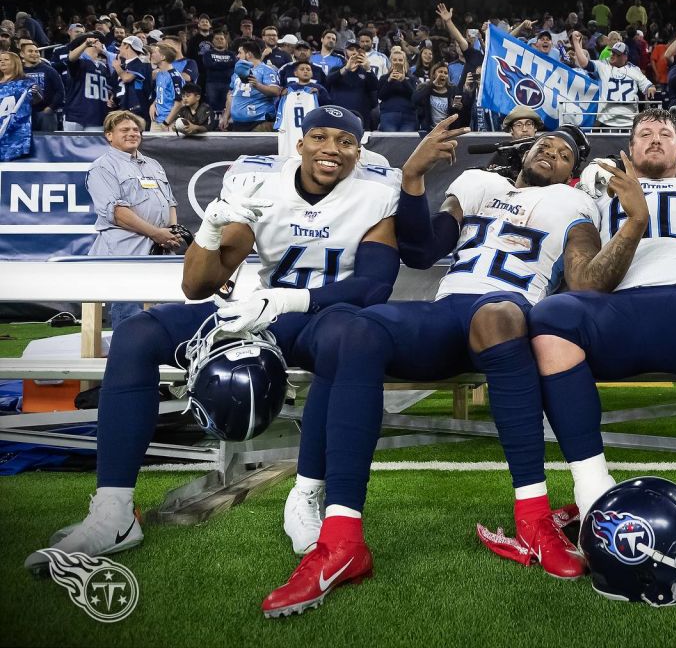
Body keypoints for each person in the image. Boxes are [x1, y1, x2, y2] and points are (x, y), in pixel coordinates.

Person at [261, 124, 648, 615]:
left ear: (575, 171)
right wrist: (414, 177)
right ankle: (342, 540)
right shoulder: (479, 184)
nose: (551, 151)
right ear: (524, 152)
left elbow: (587, 282)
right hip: (444, 312)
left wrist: (634, 221)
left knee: (499, 315)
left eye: (564, 152)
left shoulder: (575, 206)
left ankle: (532, 518)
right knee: (351, 330)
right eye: (543, 144)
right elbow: (423, 251)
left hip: (505, 311)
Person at [24, 106, 415, 578]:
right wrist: (210, 232)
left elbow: (373, 287)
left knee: (347, 339)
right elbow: (196, 286)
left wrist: (288, 301)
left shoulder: (375, 193)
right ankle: (115, 511)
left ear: (359, 150)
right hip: (262, 313)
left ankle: (307, 494)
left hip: (326, 319)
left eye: (344, 141)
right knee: (137, 333)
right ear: (300, 143)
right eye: (320, 137)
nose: (331, 149)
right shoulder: (260, 184)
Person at [527, 108, 676, 529]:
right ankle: (592, 487)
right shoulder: (598, 190)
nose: (655, 139)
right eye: (644, 134)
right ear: (629, 147)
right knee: (552, 316)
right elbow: (583, 275)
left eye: (664, 134)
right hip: (621, 310)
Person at [81, 111, 180, 326]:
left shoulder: (153, 164)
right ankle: (127, 356)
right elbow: (117, 213)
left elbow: (170, 202)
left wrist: (172, 231)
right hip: (125, 253)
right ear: (109, 135)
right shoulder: (102, 167)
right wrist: (157, 234)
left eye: (136, 129)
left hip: (161, 249)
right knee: (129, 319)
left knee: (170, 315)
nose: (132, 133)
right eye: (124, 130)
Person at [571, 33, 654, 128]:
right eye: (612, 52)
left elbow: (648, 85)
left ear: (625, 57)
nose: (612, 55)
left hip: (630, 121)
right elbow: (584, 63)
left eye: (617, 54)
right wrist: (576, 43)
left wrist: (650, 88)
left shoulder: (634, 70)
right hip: (607, 121)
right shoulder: (603, 66)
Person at [222, 38, 282, 131]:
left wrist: (258, 85)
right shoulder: (237, 72)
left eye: (240, 53)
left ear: (249, 54)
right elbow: (231, 95)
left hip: (260, 123)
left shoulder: (267, 70)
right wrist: (226, 116)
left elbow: (276, 91)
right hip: (238, 123)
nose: (237, 56)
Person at [63, 32, 113, 131]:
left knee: (95, 147)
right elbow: (70, 59)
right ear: (92, 43)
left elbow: (110, 87)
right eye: (99, 41)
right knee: (71, 146)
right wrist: (85, 44)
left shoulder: (104, 66)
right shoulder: (80, 62)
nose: (102, 45)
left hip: (98, 116)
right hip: (76, 115)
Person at [17, 39, 63, 131]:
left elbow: (60, 92)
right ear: (22, 54)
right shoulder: (18, 72)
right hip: (24, 114)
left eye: (36, 51)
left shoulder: (50, 70)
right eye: (30, 51)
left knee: (48, 142)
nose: (34, 54)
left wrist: (51, 108)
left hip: (45, 114)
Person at [376, 50, 417, 132]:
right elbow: (380, 96)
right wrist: (389, 81)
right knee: (390, 143)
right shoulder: (384, 78)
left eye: (400, 60)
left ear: (404, 62)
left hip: (408, 116)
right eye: (394, 60)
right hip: (388, 115)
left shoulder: (412, 78)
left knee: (406, 142)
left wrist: (404, 81)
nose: (397, 62)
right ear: (391, 62)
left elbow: (414, 97)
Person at [149, 43, 185, 131]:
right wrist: (153, 104)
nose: (151, 55)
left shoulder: (174, 77)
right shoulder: (160, 73)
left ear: (163, 57)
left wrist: (166, 123)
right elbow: (162, 93)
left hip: (169, 123)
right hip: (157, 119)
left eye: (154, 52)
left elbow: (179, 103)